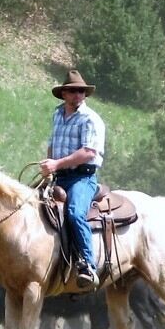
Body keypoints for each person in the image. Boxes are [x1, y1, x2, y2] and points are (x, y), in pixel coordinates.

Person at [39, 69, 106, 290]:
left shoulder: (90, 119)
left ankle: (88, 265)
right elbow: (52, 142)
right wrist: (49, 164)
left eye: (81, 91)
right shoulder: (57, 114)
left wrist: (56, 164)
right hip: (59, 177)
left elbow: (88, 152)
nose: (78, 95)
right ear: (64, 94)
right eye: (73, 91)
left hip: (82, 177)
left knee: (75, 212)